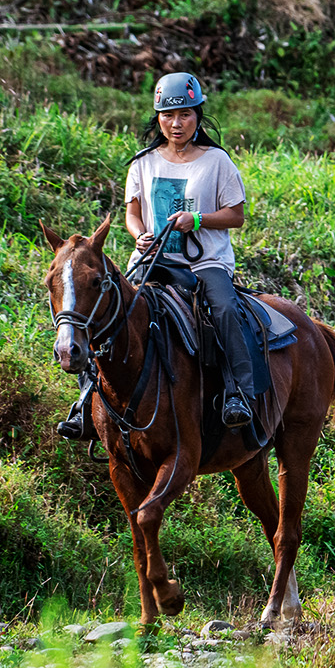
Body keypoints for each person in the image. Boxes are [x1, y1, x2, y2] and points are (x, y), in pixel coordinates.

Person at [58, 72, 253, 437]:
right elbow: (132, 214)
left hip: (204, 262)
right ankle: (86, 399)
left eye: (185, 115)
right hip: (150, 263)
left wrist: (196, 219)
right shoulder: (143, 162)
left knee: (225, 309)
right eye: (168, 116)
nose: (176, 124)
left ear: (198, 116)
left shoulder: (217, 162)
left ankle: (237, 392)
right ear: (158, 119)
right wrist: (140, 235)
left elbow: (236, 216)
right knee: (103, 312)